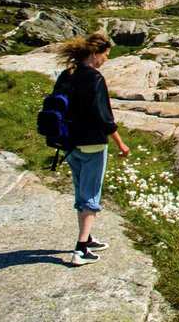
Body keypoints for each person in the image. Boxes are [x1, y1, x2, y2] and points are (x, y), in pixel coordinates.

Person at [54, 33, 130, 266]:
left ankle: (87, 238)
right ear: (95, 53)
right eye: (105, 55)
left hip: (69, 143)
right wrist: (120, 142)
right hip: (92, 143)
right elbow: (104, 117)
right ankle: (80, 250)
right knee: (91, 195)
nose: (106, 59)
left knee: (81, 191)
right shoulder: (95, 78)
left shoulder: (67, 74)